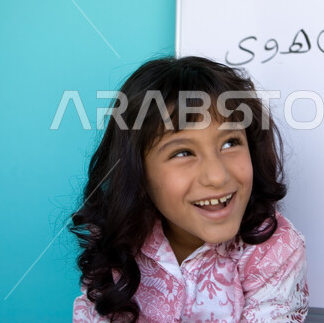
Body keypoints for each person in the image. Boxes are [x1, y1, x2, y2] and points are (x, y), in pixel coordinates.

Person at [70, 56, 308, 322]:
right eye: (183, 152)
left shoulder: (274, 251)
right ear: (136, 172)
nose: (217, 176)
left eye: (230, 143)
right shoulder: (117, 240)